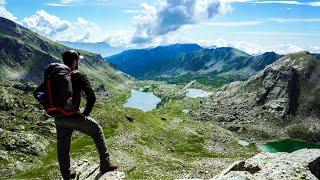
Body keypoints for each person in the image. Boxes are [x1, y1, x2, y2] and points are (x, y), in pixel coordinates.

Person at [34, 50, 117, 179]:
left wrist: (48, 107)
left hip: (58, 117)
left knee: (63, 145)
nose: (78, 62)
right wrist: (85, 114)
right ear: (75, 61)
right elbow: (92, 97)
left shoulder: (55, 76)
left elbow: (37, 93)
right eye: (78, 60)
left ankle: (66, 174)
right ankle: (105, 164)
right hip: (73, 116)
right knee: (97, 130)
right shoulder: (79, 76)